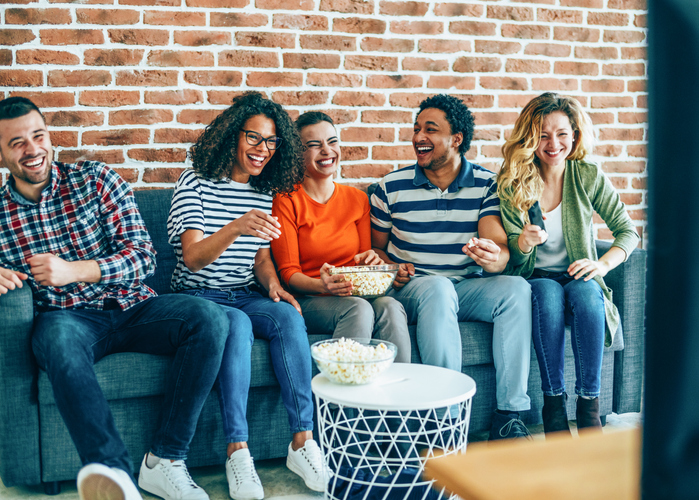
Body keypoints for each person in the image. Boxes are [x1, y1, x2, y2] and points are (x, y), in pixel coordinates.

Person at [0, 96, 231, 500]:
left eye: (38, 136)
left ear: (49, 136)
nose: (33, 149)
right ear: (1, 153)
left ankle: (165, 460)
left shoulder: (97, 179)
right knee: (55, 340)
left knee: (209, 318)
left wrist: (75, 270)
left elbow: (143, 258)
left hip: (135, 307)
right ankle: (114, 477)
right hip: (66, 321)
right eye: (17, 143)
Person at [166, 92, 326, 500]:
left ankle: (302, 443)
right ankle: (238, 453)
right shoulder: (195, 182)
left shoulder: (262, 191)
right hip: (198, 297)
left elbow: (259, 259)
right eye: (254, 138)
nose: (262, 150)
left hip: (241, 292)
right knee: (235, 324)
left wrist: (272, 283)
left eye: (271, 142)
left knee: (288, 316)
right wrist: (237, 225)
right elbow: (194, 257)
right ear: (231, 137)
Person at [370, 94, 533, 441]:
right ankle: (444, 420)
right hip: (415, 287)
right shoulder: (389, 188)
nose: (418, 137)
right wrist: (390, 267)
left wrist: (494, 256)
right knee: (438, 287)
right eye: (416, 129)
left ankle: (509, 414)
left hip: (467, 286)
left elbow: (499, 248)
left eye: (430, 129)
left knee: (518, 289)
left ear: (456, 139)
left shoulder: (487, 184)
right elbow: (375, 250)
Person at [496, 92, 639, 435]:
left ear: (574, 134)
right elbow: (514, 262)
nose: (553, 143)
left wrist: (602, 265)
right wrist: (523, 243)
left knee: (590, 297)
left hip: (578, 274)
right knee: (546, 296)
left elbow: (628, 232)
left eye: (561, 133)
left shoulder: (585, 174)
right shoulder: (514, 180)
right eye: (543, 135)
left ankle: (589, 408)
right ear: (530, 138)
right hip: (536, 277)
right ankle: (554, 407)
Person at [270, 111, 411, 363]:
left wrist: (373, 263)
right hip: (311, 298)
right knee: (358, 308)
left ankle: (398, 395)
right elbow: (288, 275)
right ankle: (343, 400)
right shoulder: (286, 200)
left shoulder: (357, 199)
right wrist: (322, 285)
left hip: (352, 293)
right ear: (297, 154)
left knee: (389, 305)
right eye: (314, 145)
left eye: (332, 141)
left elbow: (362, 261)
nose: (326, 150)